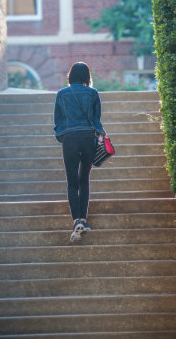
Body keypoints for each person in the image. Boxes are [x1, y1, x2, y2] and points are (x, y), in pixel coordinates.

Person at [53, 62, 106, 242]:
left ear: (70, 76)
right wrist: (99, 134)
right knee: (84, 180)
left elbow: (57, 120)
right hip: (87, 138)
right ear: (86, 76)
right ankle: (84, 219)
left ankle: (76, 221)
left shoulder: (61, 94)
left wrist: (63, 136)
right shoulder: (93, 93)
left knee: (72, 182)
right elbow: (96, 119)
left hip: (69, 138)